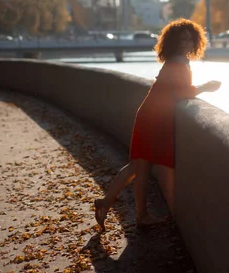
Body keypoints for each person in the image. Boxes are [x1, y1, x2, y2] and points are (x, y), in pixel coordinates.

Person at [94, 18, 221, 230]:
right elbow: (181, 93)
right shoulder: (179, 62)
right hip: (154, 118)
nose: (187, 43)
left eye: (190, 39)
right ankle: (135, 213)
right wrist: (206, 87)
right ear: (174, 42)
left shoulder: (174, 61)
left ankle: (109, 203)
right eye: (182, 40)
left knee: (138, 166)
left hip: (151, 115)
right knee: (139, 167)